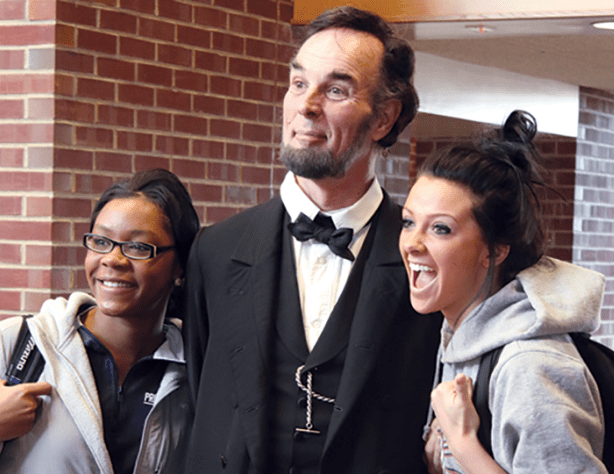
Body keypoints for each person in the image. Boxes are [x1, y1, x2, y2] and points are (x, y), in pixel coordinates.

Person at [184, 6, 442, 474]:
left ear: (384, 118)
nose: (305, 105)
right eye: (299, 83)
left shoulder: (426, 257)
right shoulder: (215, 250)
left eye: (336, 90)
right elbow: (203, 394)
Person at [0, 168, 200, 474]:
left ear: (180, 266)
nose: (112, 259)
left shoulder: (194, 369)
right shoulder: (17, 343)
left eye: (138, 247)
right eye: (101, 241)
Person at [400, 111, 607, 474]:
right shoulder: (458, 338)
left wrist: (463, 444)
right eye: (408, 222)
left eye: (441, 229)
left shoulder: (530, 365)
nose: (413, 244)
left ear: (494, 250)